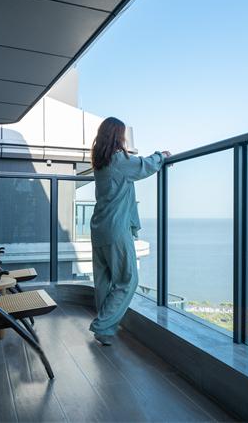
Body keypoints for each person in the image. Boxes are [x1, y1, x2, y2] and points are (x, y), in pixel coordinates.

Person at [88, 116, 170, 345]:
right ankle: (102, 325)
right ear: (118, 136)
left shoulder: (101, 161)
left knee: (104, 281)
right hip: (115, 229)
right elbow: (145, 165)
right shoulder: (118, 160)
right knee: (128, 279)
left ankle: (105, 330)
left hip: (99, 227)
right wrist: (162, 156)